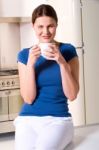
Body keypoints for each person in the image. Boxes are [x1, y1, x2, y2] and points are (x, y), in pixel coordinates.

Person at [14, 4, 79, 150]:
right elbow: (29, 99)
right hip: (27, 119)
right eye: (40, 27)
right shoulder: (24, 55)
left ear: (56, 25)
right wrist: (30, 65)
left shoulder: (68, 51)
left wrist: (61, 62)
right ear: (33, 26)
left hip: (58, 119)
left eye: (50, 26)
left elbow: (72, 95)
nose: (46, 32)